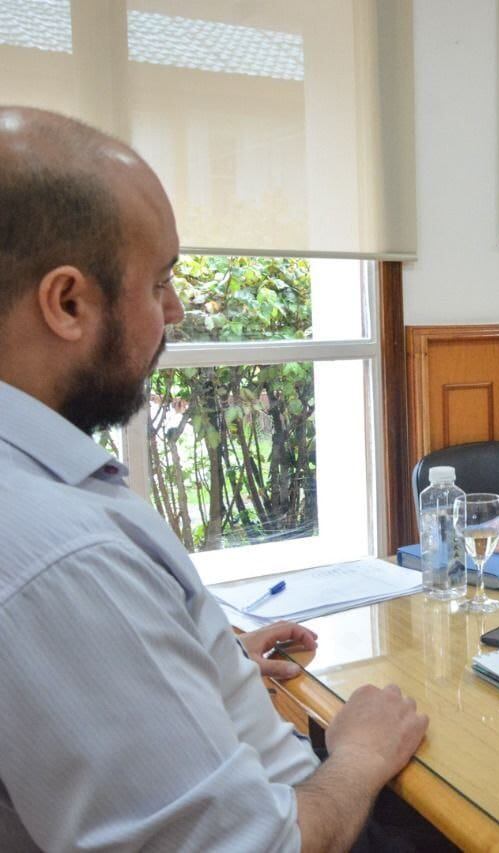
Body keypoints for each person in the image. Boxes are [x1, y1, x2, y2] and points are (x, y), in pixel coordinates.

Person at [0, 107, 430, 850]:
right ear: (67, 303)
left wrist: (201, 658)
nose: (174, 309)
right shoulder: (60, 558)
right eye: (160, 280)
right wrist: (357, 752)